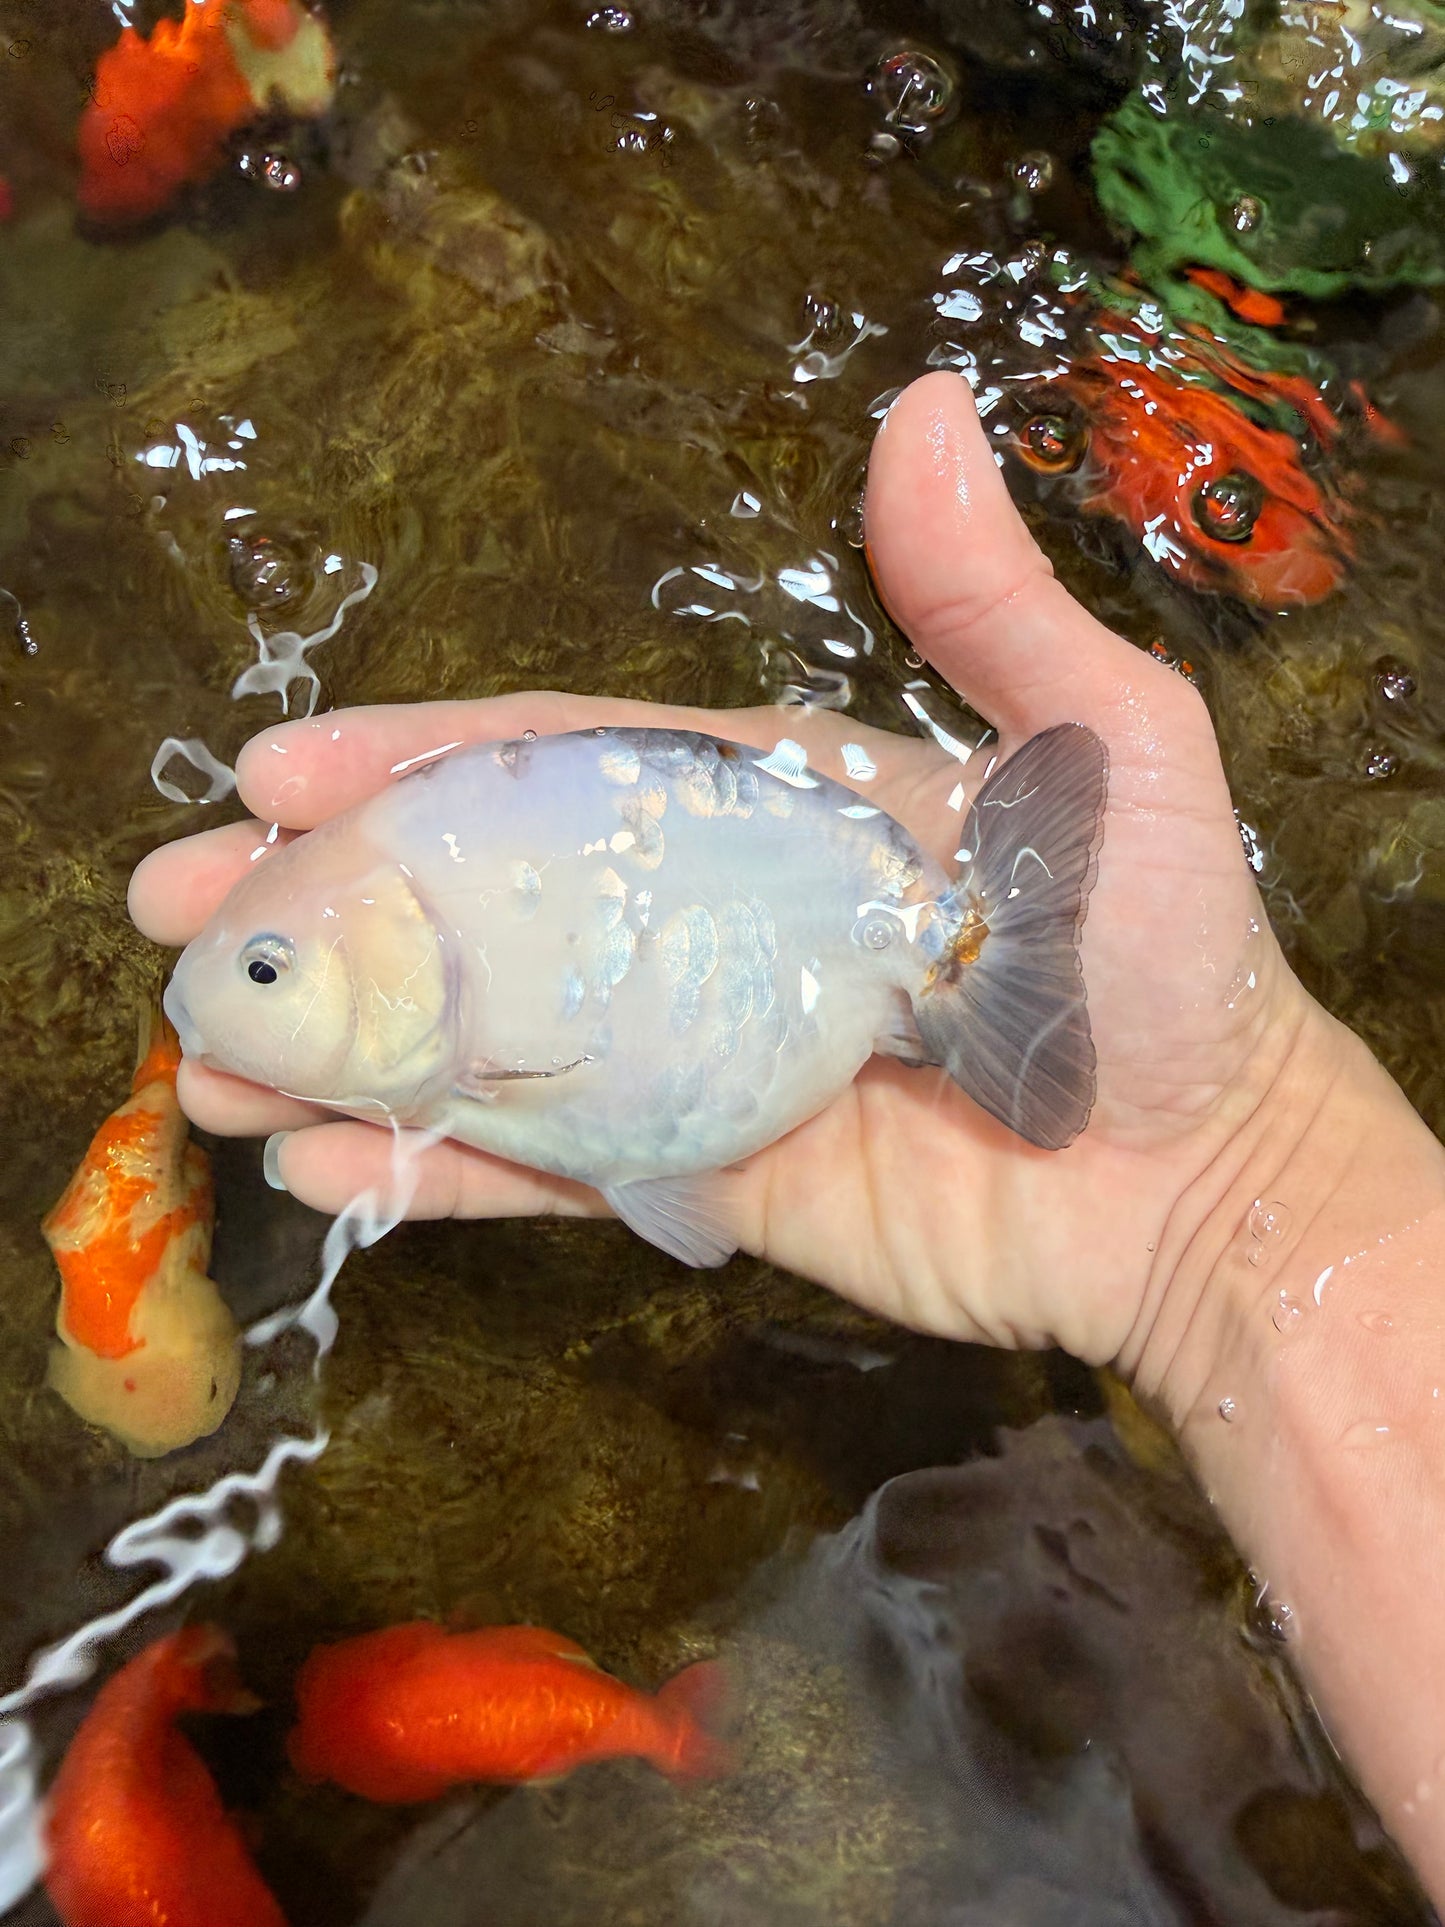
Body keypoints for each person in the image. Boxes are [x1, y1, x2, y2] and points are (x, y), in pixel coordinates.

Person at [130, 371, 1445, 1895]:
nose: (247, 990)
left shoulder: (462, 988)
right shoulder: (426, 953)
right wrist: (1237, 1199)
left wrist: (1233, 1171)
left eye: (271, 966)